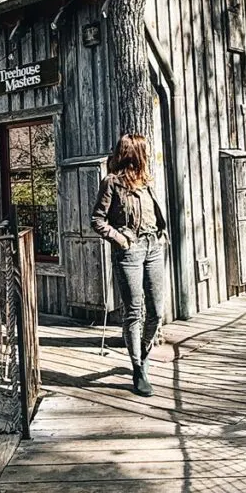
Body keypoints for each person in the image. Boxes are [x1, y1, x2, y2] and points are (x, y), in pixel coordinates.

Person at [91, 133, 167, 397]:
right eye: (143, 151)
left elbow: (154, 214)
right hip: (130, 251)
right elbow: (97, 220)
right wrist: (121, 239)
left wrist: (161, 233)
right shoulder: (112, 183)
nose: (146, 155)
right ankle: (138, 368)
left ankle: (143, 353)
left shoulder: (146, 182)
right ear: (133, 153)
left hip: (153, 248)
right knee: (134, 311)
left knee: (156, 311)